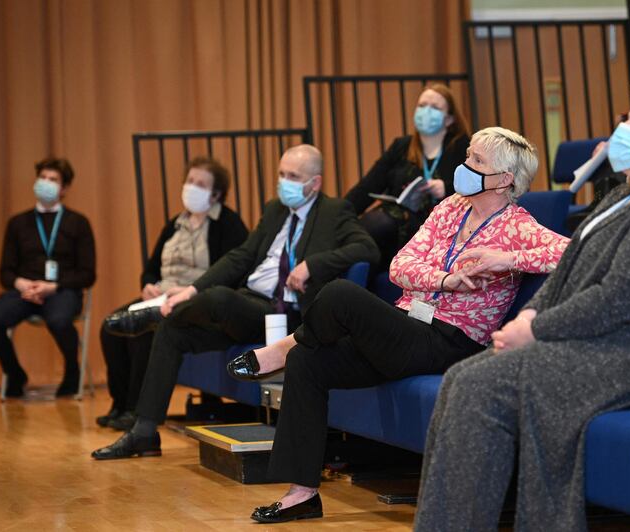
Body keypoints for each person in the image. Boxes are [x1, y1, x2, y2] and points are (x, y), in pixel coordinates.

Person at [413, 91, 630, 531]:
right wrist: (527, 318)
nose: (623, 128)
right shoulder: (620, 199)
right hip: (601, 346)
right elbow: (567, 272)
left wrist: (537, 329)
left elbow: (619, 297)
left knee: (479, 384)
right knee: (462, 378)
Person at [234, 127, 570, 524]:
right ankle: (301, 493)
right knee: (310, 363)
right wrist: (442, 280)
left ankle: (282, 349)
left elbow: (571, 250)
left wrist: (506, 258)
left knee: (341, 293)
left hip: (450, 340)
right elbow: (399, 266)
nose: (465, 165)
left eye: (478, 161)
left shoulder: (517, 226)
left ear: (505, 179)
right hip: (407, 325)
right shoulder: (449, 208)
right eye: (468, 155)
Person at [90, 144, 379, 459]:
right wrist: (191, 291)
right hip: (248, 305)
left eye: (293, 176)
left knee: (220, 298)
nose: (285, 181)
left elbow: (367, 249)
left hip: (284, 312)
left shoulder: (334, 211)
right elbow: (240, 258)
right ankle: (143, 433)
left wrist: (314, 264)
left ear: (315, 183)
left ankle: (157, 313)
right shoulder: (274, 210)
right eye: (281, 174)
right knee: (173, 332)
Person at [95, 157, 248, 431]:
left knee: (145, 330)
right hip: (160, 295)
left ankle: (135, 410)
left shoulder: (228, 223)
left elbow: (232, 270)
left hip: (194, 298)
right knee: (110, 328)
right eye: (190, 181)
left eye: (200, 184)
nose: (192, 187)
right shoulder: (175, 224)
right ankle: (119, 404)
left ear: (216, 194)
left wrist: (191, 291)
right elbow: (151, 268)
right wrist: (148, 284)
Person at [0, 157, 96, 398]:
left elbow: (87, 273)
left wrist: (52, 287)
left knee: (59, 321)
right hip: (25, 290)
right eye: (42, 178)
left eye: (52, 180)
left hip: (61, 290)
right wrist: (23, 284)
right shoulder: (17, 223)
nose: (46, 183)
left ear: (64, 188)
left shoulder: (78, 223)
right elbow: (5, 272)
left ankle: (72, 372)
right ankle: (15, 374)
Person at [345, 83, 471, 269]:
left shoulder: (462, 146)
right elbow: (368, 186)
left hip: (440, 225)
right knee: (367, 227)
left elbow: (478, 184)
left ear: (449, 119)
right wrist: (340, 215)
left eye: (434, 108)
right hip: (395, 222)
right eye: (422, 106)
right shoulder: (401, 146)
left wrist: (446, 187)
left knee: (378, 226)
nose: (426, 112)